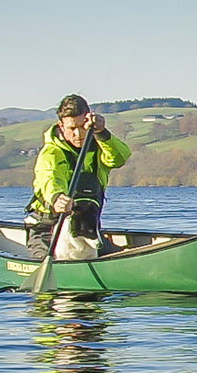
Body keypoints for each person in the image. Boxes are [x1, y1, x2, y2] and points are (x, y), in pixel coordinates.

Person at [26, 94, 131, 260]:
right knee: (45, 258)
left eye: (82, 126)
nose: (78, 134)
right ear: (61, 126)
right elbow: (48, 178)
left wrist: (101, 132)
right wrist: (56, 197)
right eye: (71, 128)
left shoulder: (100, 147)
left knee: (119, 256)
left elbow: (119, 158)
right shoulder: (51, 152)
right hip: (48, 230)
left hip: (86, 229)